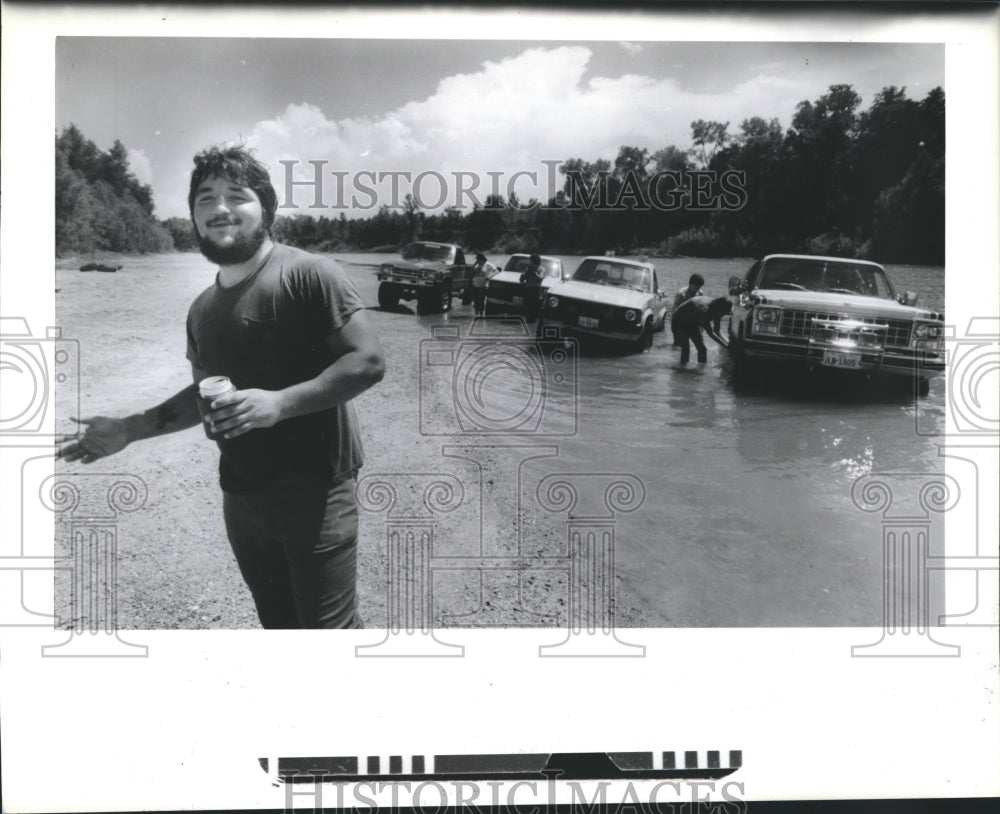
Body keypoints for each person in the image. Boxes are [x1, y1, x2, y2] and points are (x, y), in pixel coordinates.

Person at [56, 145, 386, 630]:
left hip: (316, 494)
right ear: (193, 215)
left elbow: (368, 361)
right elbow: (202, 396)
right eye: (205, 198)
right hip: (242, 496)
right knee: (276, 624)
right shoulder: (202, 308)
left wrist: (280, 403)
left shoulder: (309, 274)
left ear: (266, 208)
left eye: (238, 195)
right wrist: (128, 429)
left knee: (328, 637)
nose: (220, 208)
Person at [671, 295, 732, 365]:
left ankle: (701, 370)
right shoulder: (704, 311)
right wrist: (727, 347)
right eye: (723, 313)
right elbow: (711, 334)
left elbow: (717, 330)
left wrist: (728, 344)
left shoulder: (718, 309)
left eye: (725, 313)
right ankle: (683, 370)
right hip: (679, 320)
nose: (723, 315)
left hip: (693, 321)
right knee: (685, 349)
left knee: (702, 349)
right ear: (719, 309)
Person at [671, 273, 704, 346]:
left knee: (700, 346)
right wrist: (674, 328)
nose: (698, 289)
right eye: (697, 287)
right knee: (678, 346)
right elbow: (674, 311)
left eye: (700, 287)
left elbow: (700, 309)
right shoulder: (681, 294)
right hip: (679, 323)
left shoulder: (700, 293)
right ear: (691, 284)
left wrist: (702, 325)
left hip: (693, 323)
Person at [469, 251, 497, 317]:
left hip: (482, 287)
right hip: (475, 286)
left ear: (481, 259)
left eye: (477, 259)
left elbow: (496, 272)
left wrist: (489, 277)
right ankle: (476, 316)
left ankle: (481, 316)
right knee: (475, 303)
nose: (477, 261)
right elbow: (471, 271)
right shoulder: (477, 265)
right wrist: (475, 264)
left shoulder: (488, 264)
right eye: (476, 260)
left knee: (481, 303)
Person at [518, 253, 544, 320]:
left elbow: (541, 279)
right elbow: (521, 280)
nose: (530, 262)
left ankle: (532, 322)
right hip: (528, 290)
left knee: (534, 309)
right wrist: (525, 274)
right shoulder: (528, 269)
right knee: (526, 308)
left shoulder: (541, 269)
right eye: (530, 261)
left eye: (531, 260)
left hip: (536, 290)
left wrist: (534, 272)